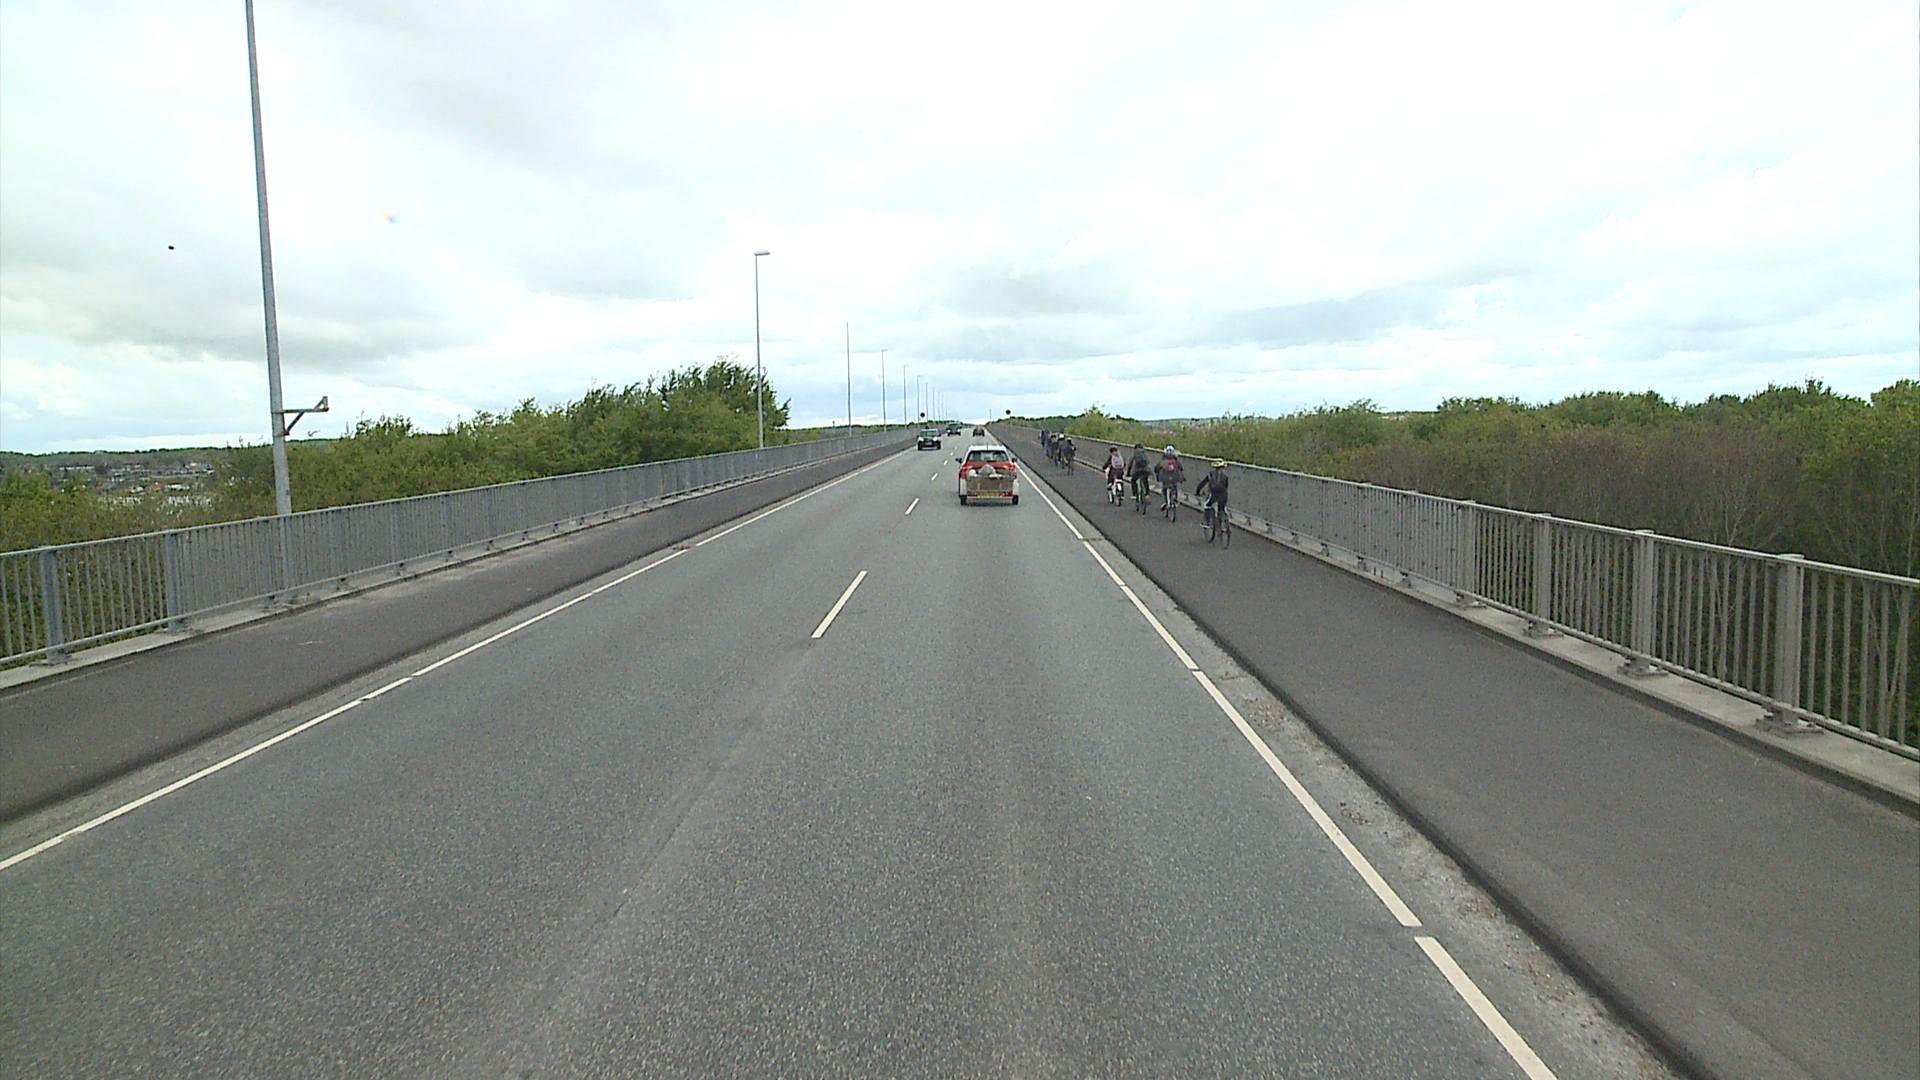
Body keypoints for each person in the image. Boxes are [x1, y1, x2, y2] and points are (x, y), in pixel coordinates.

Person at [1195, 458, 1230, 523]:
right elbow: (1226, 486)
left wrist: (1197, 492)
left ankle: (1207, 522)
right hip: (1223, 495)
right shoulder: (1225, 475)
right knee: (1221, 508)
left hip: (1213, 495)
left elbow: (1202, 483)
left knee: (1207, 505)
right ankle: (1225, 521)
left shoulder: (1211, 474)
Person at [1156, 445, 1185, 515]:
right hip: (1175, 477)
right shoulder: (1176, 461)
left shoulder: (1163, 460)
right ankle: (1175, 499)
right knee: (1175, 487)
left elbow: (1157, 468)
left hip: (1165, 478)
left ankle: (1167, 502)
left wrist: (1157, 475)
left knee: (1164, 489)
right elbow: (1181, 468)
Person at [1126, 443, 1153, 508]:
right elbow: (1148, 463)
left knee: (1133, 480)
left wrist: (1128, 473)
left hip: (1137, 471)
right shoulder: (1144, 454)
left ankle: (1134, 494)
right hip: (1145, 470)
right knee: (1145, 481)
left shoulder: (1134, 454)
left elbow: (1130, 464)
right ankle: (1147, 494)